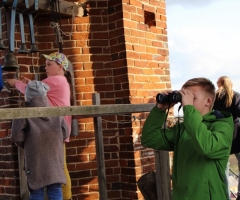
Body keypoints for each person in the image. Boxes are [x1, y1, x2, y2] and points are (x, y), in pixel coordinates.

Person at [141, 77, 234, 200]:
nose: (185, 102)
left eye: (192, 98)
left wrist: (189, 109)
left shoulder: (222, 126)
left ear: (208, 101)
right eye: (184, 97)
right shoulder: (183, 129)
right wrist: (160, 110)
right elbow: (150, 138)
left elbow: (207, 147)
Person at [6, 52, 73, 200]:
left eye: (49, 64)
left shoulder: (55, 80)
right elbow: (39, 91)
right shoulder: (61, 81)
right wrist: (30, 83)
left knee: (58, 172)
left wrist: (16, 83)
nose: (45, 67)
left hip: (49, 130)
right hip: (57, 131)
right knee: (58, 170)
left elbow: (33, 93)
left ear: (61, 66)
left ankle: (68, 198)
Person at [213, 76, 240, 200]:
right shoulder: (236, 96)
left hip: (220, 134)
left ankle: (225, 197)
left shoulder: (214, 97)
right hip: (236, 135)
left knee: (223, 168)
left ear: (219, 84)